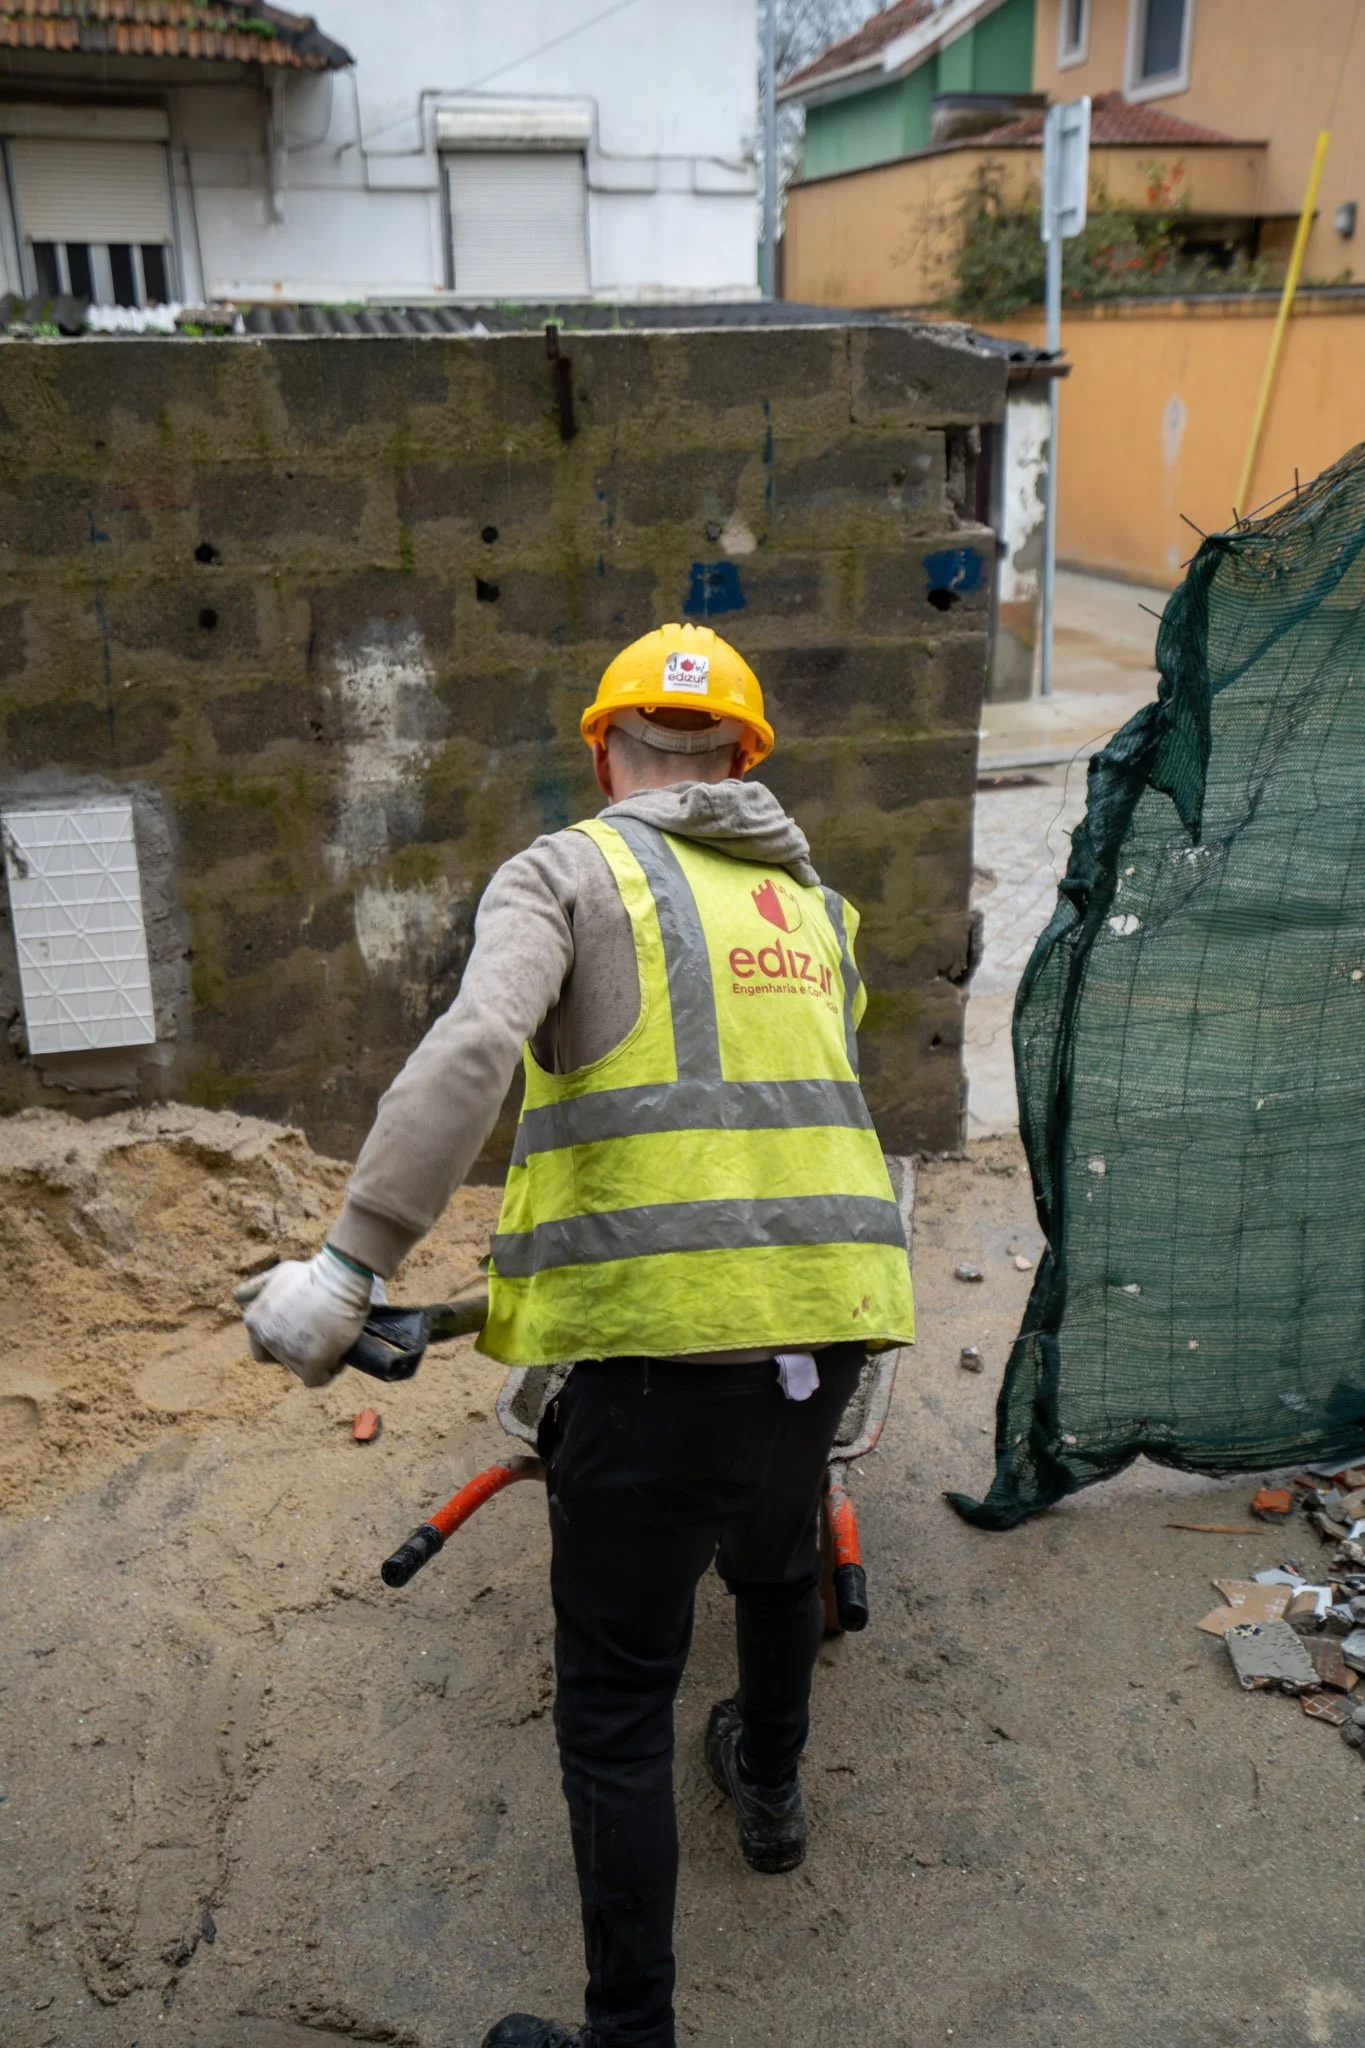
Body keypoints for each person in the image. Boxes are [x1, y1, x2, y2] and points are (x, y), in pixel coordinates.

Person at [244, 622, 916, 2048]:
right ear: (741, 763)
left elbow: (478, 1050)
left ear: (606, 750)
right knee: (780, 1556)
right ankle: (773, 1783)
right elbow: (737, 1167)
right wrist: (481, 1304)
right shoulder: (822, 915)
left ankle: (630, 2034)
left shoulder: (568, 868)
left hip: (661, 1377)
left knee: (615, 1704)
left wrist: (350, 1264)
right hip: (829, 1343)